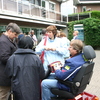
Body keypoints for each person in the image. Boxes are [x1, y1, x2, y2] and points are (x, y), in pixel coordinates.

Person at [5, 36, 45, 100]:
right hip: (34, 91)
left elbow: (8, 74)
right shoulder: (36, 59)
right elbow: (42, 75)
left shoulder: (12, 58)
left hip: (18, 91)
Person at [0, 22, 21, 100]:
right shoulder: (3, 41)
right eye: (15, 34)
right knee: (3, 96)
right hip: (4, 76)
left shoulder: (10, 39)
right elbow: (4, 58)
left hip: (8, 75)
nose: (16, 36)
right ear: (9, 31)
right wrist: (17, 60)